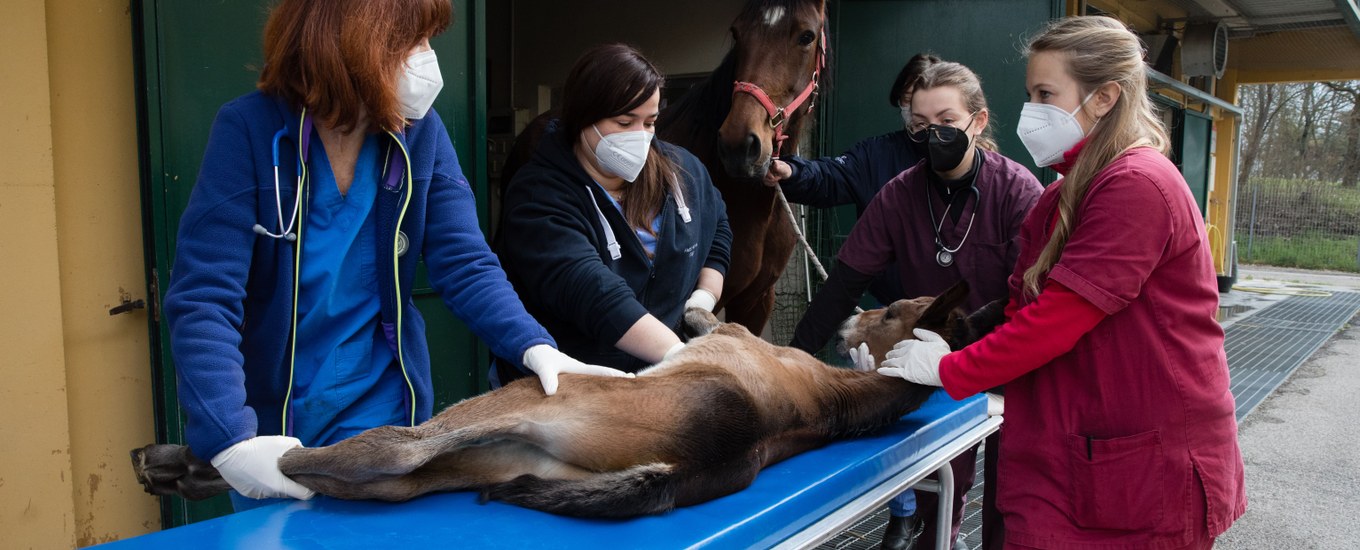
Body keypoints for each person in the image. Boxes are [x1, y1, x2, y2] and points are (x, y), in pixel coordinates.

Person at [161, 0, 629, 512]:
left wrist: (535, 348)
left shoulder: (420, 134)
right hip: (274, 432)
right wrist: (229, 438)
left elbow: (465, 260)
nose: (430, 59)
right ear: (357, 42)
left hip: (381, 413)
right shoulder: (249, 131)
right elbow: (205, 295)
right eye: (418, 42)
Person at [878, 16, 1247, 549]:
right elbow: (1020, 311)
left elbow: (1058, 320)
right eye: (1031, 93)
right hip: (1074, 450)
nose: (1031, 110)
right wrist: (926, 347)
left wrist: (950, 369)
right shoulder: (1060, 196)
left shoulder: (1137, 186)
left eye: (1046, 93)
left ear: (1104, 98)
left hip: (1141, 467)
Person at [788, 60, 1043, 550]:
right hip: (931, 366)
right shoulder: (900, 195)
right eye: (921, 126)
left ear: (979, 120)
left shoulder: (1017, 192)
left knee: (1013, 495)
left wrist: (977, 356)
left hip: (1009, 358)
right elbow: (843, 284)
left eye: (947, 122)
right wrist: (794, 359)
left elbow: (1031, 297)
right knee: (936, 484)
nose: (934, 136)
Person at [493, 44, 732, 378]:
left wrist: (704, 298)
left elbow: (717, 224)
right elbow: (593, 294)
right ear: (581, 119)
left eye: (650, 122)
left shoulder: (683, 170)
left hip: (660, 377)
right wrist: (684, 358)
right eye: (624, 122)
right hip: (569, 384)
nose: (641, 137)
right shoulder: (538, 197)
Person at [763, 53, 940, 305]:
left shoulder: (977, 164)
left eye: (926, 101)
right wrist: (792, 172)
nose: (915, 110)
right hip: (890, 307)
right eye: (908, 99)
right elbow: (831, 176)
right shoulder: (876, 154)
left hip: (951, 305)